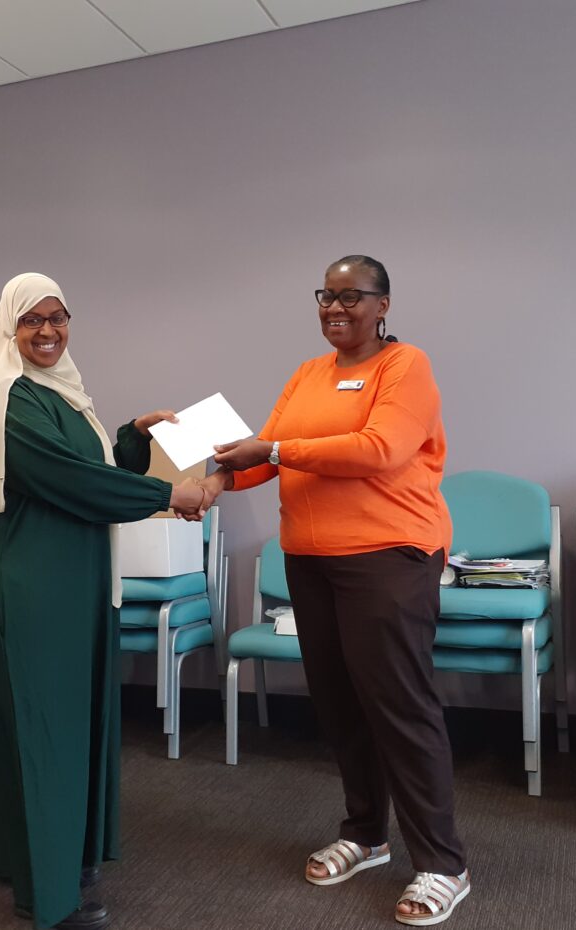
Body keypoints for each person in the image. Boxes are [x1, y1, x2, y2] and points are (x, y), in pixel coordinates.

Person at [200, 255, 470, 926]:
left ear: (383, 305)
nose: (336, 307)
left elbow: (377, 448)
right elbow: (268, 452)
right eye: (327, 295)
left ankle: (443, 865)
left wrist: (271, 453)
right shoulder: (309, 373)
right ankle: (365, 834)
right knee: (340, 704)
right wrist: (211, 483)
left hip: (388, 557)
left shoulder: (405, 368)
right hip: (312, 561)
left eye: (352, 296)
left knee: (400, 708)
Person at [0, 273, 205, 930]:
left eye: (57, 318)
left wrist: (131, 435)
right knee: (42, 734)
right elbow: (63, 478)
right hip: (24, 583)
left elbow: (89, 467)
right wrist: (164, 495)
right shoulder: (11, 398)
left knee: (62, 728)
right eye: (31, 320)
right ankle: (49, 897)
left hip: (64, 581)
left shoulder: (63, 394)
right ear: (10, 328)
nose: (47, 331)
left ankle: (52, 862)